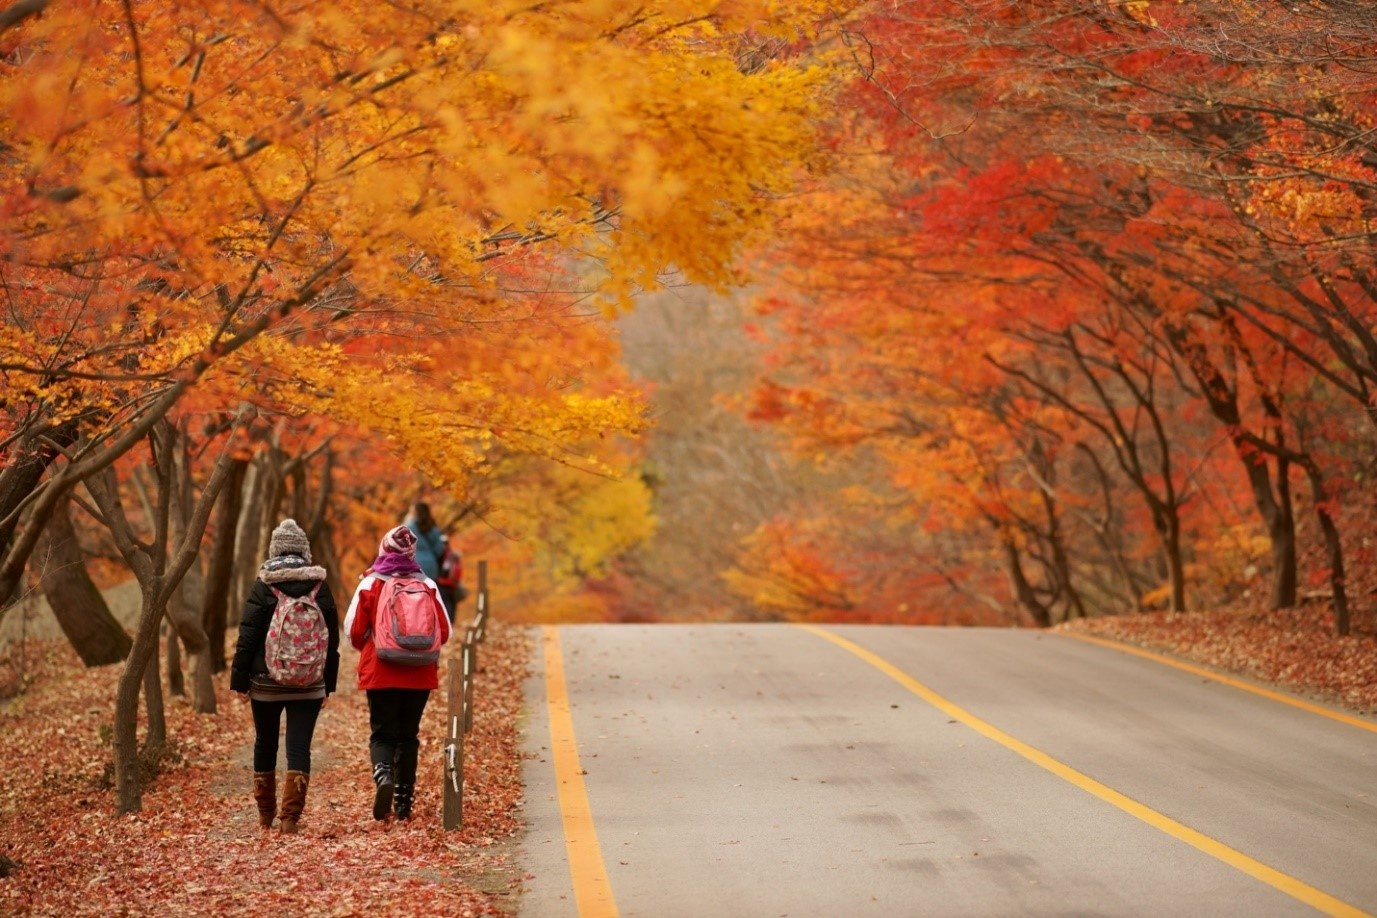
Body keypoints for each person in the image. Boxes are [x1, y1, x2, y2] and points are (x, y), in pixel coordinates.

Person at [230, 518, 340, 834]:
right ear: (304, 552)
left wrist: (239, 681)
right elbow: (331, 639)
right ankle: (290, 819)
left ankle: (265, 815)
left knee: (265, 742)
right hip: (309, 683)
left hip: (265, 683)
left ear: (274, 551)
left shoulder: (264, 585)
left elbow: (247, 636)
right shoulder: (320, 587)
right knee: (298, 747)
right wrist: (328, 685)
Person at [344, 524, 451, 821]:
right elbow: (445, 631)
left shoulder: (370, 583)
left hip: (381, 669)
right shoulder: (427, 584)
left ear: (384, 548)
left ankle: (384, 777)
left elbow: (353, 630)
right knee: (409, 735)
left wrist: (370, 647)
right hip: (419, 672)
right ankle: (404, 803)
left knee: (382, 733)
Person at [404, 501, 454, 618]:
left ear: (415, 512)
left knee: (412, 594)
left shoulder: (409, 526)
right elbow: (439, 549)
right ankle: (427, 620)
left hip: (413, 565)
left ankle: (413, 620)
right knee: (428, 594)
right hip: (431, 566)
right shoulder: (433, 528)